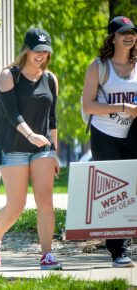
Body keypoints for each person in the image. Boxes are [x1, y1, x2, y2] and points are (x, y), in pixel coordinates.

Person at [0, 28, 62, 270]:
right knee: (16, 206)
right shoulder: (10, 75)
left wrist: (54, 151)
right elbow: (11, 113)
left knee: (45, 201)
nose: (41, 55)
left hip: (43, 149)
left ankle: (47, 255)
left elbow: (52, 119)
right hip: (14, 146)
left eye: (45, 51)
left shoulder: (50, 79)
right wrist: (31, 135)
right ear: (26, 50)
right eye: (37, 51)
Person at [82, 16, 137, 268]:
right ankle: (119, 251)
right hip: (105, 135)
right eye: (123, 32)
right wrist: (123, 106)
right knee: (115, 190)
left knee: (133, 188)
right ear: (112, 37)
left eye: (133, 32)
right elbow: (89, 105)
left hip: (133, 132)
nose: (130, 36)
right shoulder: (99, 66)